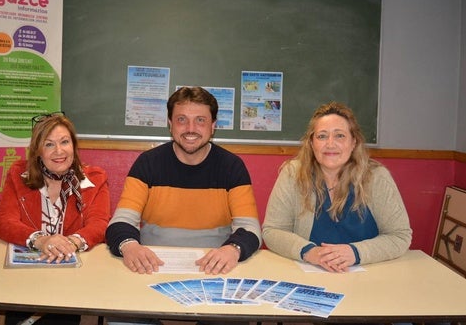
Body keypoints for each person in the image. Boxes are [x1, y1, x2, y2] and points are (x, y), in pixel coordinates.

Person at [105, 87, 261, 324]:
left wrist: (233, 250)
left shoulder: (232, 166)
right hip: (151, 265)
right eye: (181, 120)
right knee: (123, 319)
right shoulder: (147, 163)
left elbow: (250, 228)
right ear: (170, 124)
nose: (190, 129)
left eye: (200, 120)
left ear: (213, 125)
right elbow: (121, 222)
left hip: (215, 268)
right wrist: (129, 246)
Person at [262, 101, 412, 273]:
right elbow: (272, 230)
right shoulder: (292, 174)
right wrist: (310, 252)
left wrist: (355, 253)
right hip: (309, 277)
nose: (330, 144)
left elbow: (400, 236)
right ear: (311, 143)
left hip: (370, 278)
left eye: (340, 135)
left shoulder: (376, 177)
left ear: (353, 142)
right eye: (322, 136)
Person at [0, 112, 111, 325]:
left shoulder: (94, 179)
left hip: (70, 278)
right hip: (24, 277)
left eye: (65, 142)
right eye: (49, 145)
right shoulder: (19, 174)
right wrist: (41, 240)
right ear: (38, 151)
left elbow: (100, 224)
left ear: (74, 147)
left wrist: (70, 243)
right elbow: (4, 222)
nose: (59, 151)